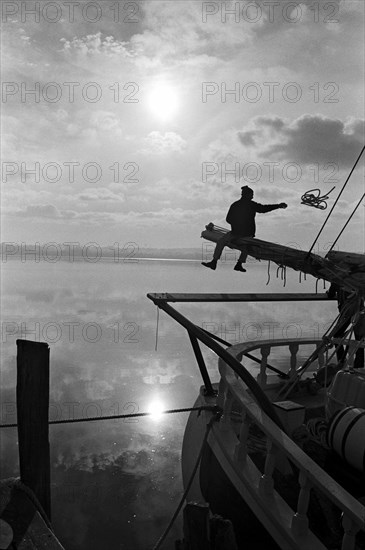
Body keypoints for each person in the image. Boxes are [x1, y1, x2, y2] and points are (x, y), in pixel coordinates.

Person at [202, 186, 287, 272]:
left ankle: (214, 262)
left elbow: (228, 219)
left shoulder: (235, 205)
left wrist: (236, 224)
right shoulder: (251, 205)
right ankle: (239, 264)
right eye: (251, 195)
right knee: (247, 246)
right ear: (247, 195)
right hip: (246, 233)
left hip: (235, 232)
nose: (252, 197)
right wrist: (278, 206)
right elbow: (263, 209)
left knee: (221, 241)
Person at [327, 283, 365, 368]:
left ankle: (341, 361)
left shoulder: (337, 279)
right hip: (359, 310)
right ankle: (359, 365)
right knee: (359, 339)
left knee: (336, 336)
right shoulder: (355, 279)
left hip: (346, 312)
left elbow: (331, 294)